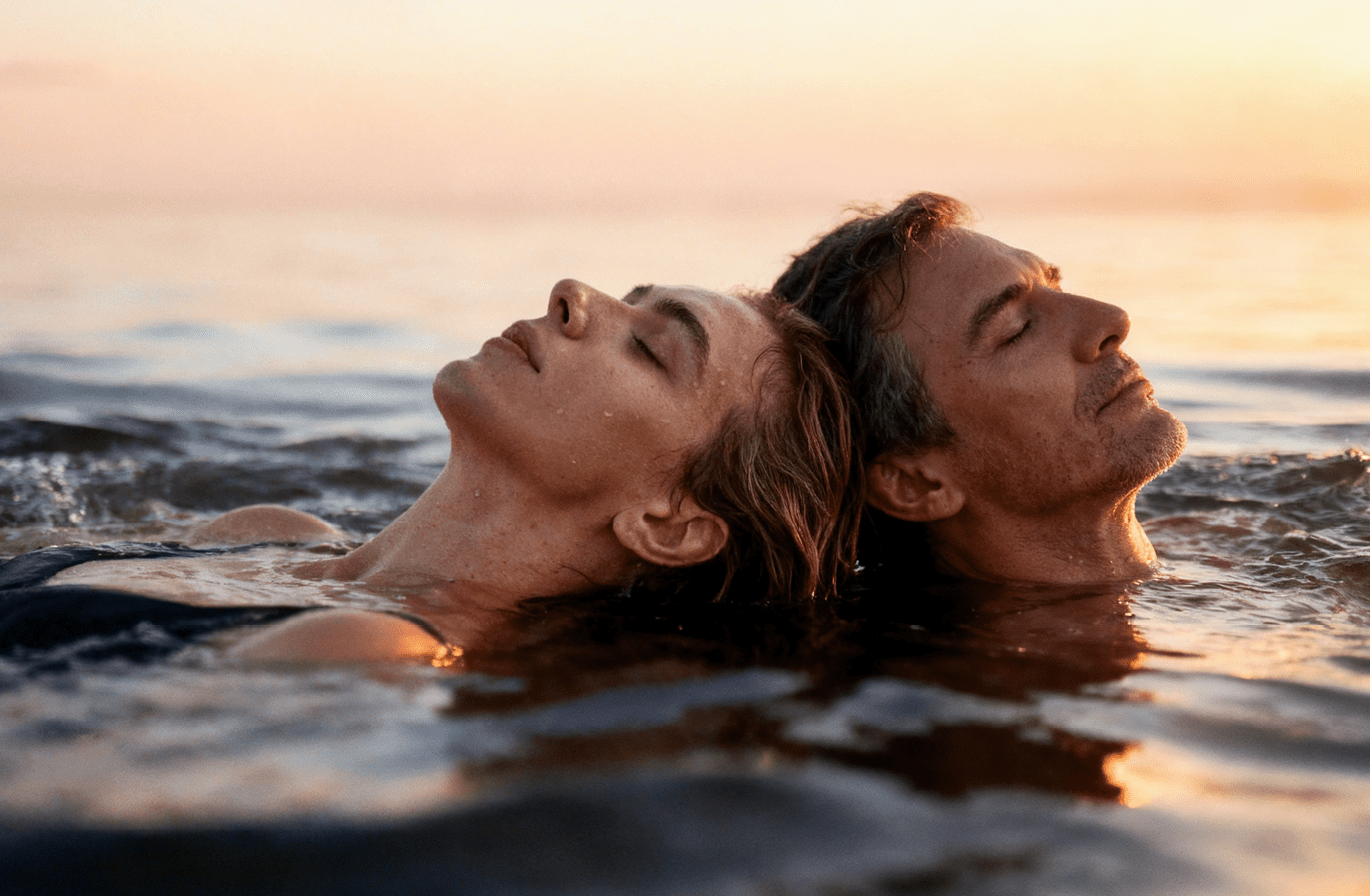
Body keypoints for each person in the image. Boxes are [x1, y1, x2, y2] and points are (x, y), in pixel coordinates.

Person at [1, 280, 858, 666]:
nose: (573, 294)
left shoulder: (369, 648)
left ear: (668, 523)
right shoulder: (265, 534)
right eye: (628, 298)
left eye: (650, 348)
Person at [774, 194, 1186, 585]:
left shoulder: (1203, 538)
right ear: (914, 483)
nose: (1111, 319)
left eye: (1055, 289)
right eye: (1017, 330)